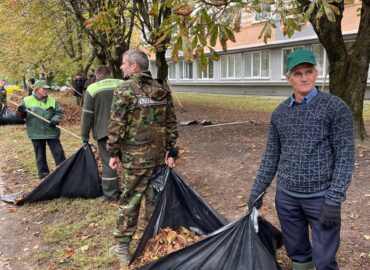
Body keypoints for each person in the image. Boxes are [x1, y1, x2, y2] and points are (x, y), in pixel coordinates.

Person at [247, 50, 355, 270]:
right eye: (297, 73)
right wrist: (257, 192)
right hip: (287, 198)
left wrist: (334, 200)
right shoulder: (279, 114)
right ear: (288, 78)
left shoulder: (335, 108)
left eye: (308, 72)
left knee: (324, 260)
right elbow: (271, 156)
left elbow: (345, 156)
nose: (304, 78)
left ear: (316, 74)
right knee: (298, 253)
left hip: (321, 198)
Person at [107, 49, 178, 263]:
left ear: (134, 66)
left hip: (134, 160)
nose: (121, 67)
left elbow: (116, 125)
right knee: (154, 201)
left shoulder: (124, 89)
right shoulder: (161, 89)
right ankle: (153, 241)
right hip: (157, 158)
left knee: (130, 201)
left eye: (124, 64)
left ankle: (122, 248)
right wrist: (171, 151)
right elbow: (171, 124)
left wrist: (113, 153)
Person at [80, 65, 124, 201]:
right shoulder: (123, 84)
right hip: (126, 131)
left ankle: (111, 195)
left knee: (108, 163)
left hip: (105, 132)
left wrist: (84, 136)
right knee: (128, 162)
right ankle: (132, 191)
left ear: (97, 76)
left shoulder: (92, 88)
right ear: (110, 74)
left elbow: (87, 115)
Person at [17, 80, 66, 179]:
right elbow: (18, 117)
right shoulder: (27, 100)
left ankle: (64, 172)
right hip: (36, 133)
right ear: (37, 89)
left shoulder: (52, 100)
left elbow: (59, 113)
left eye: (47, 89)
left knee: (59, 153)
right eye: (44, 89)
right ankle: (43, 175)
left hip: (51, 131)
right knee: (40, 156)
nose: (46, 91)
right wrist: (20, 112)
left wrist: (55, 120)